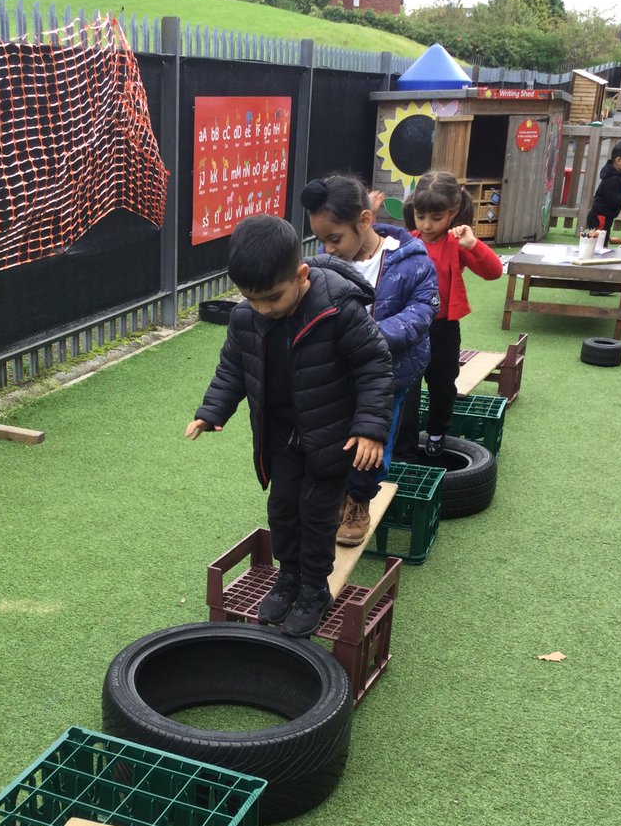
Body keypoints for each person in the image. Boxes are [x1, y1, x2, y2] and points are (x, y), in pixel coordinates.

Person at [185, 214, 394, 638]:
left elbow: (374, 366)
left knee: (315, 516)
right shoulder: (248, 316)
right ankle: (288, 577)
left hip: (330, 435)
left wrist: (370, 428)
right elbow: (233, 368)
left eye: (272, 299)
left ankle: (316, 589)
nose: (263, 309)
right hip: (280, 434)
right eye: (251, 299)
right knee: (282, 510)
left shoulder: (338, 308)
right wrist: (212, 411)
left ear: (301, 275)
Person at [299, 173, 439, 545]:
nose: (328, 248)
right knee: (332, 437)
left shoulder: (411, 260)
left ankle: (359, 499)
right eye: (321, 240)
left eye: (335, 238)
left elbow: (422, 312)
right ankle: (333, 494)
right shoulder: (320, 267)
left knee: (372, 440)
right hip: (336, 373)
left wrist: (368, 338)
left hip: (388, 374)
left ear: (364, 221)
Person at [402, 170, 503, 456]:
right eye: (421, 216)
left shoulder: (456, 243)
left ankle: (436, 434)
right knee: (407, 387)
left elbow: (494, 271)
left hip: (443, 327)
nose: (427, 225)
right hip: (409, 327)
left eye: (436, 218)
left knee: (443, 383)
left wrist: (473, 244)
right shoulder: (408, 241)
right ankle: (404, 446)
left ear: (453, 212)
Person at [585, 140, 621, 243]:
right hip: (599, 217)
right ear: (619, 160)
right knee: (598, 244)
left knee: (602, 241)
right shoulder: (611, 179)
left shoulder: (620, 174)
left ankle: (607, 241)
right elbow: (614, 202)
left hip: (606, 217)